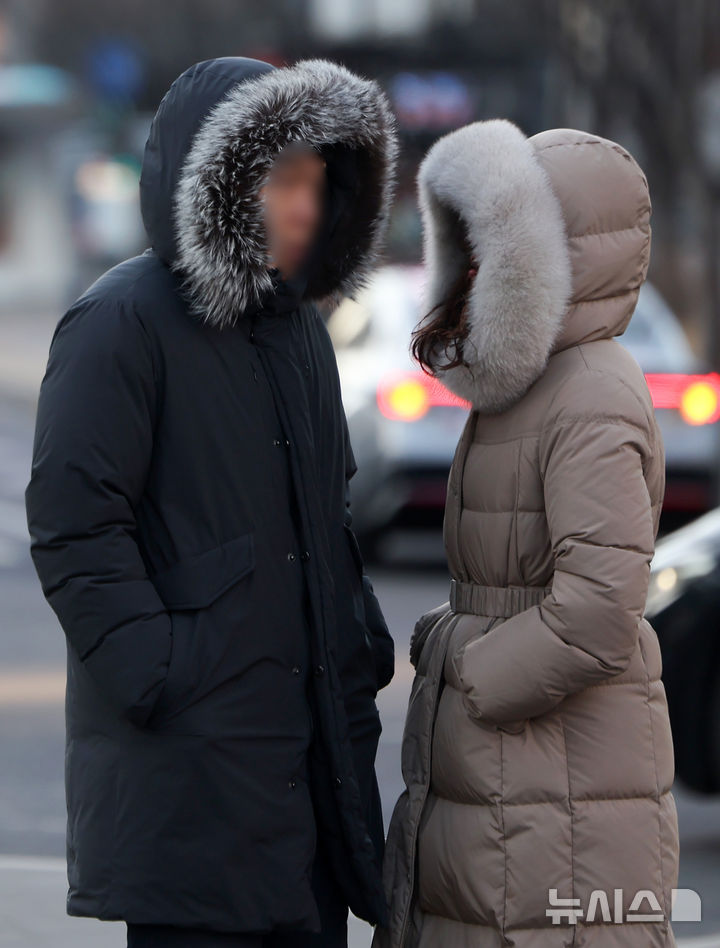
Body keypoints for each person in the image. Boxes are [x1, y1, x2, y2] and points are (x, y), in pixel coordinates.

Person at [24, 55, 399, 947]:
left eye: (317, 180)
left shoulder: (303, 329)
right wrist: (160, 671)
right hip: (190, 792)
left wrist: (356, 647)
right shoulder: (121, 321)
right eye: (283, 179)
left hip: (308, 793)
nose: (306, 204)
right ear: (223, 180)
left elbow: (327, 524)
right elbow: (75, 526)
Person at [372, 120, 680, 947]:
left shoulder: (591, 391)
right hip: (512, 774)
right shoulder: (527, 382)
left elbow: (599, 609)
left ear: (554, 253)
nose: (472, 263)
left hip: (553, 772)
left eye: (495, 241)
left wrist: (474, 675)